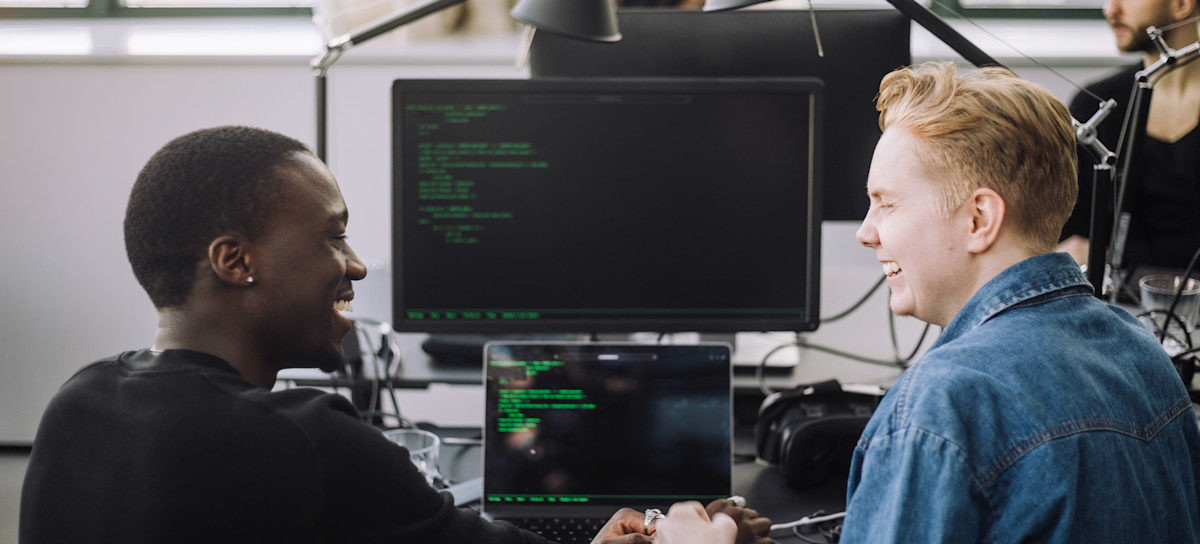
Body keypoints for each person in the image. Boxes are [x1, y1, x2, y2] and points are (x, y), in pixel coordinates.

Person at [18, 125, 769, 544]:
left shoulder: (75, 405)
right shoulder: (302, 439)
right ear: (235, 262)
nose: (355, 267)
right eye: (332, 237)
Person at [652, 61, 1200, 543]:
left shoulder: (940, 409)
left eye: (886, 204)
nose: (866, 233)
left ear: (979, 220)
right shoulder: (1142, 355)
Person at [1059, 0, 1200, 275]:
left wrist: (1112, 256)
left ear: (1182, 4)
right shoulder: (1095, 106)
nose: (1111, 9)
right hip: (1116, 307)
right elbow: (1072, 233)